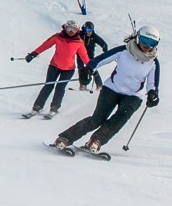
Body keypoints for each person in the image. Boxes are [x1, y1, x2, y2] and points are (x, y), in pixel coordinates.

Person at [53, 25, 161, 153]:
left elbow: (152, 84)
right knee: (97, 119)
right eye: (144, 41)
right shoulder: (124, 51)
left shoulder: (153, 62)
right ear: (138, 38)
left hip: (133, 95)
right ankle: (64, 138)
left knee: (119, 119)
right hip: (111, 89)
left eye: (152, 43)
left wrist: (153, 94)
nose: (147, 46)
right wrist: (88, 69)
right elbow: (100, 60)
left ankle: (96, 141)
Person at [22, 21, 92, 117]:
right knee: (48, 86)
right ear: (65, 28)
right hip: (54, 66)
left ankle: (54, 108)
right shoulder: (58, 37)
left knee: (60, 88)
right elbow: (45, 45)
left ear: (77, 31)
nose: (71, 31)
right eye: (69, 28)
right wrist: (34, 54)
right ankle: (37, 107)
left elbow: (85, 57)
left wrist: (92, 69)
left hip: (68, 69)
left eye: (74, 29)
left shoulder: (79, 42)